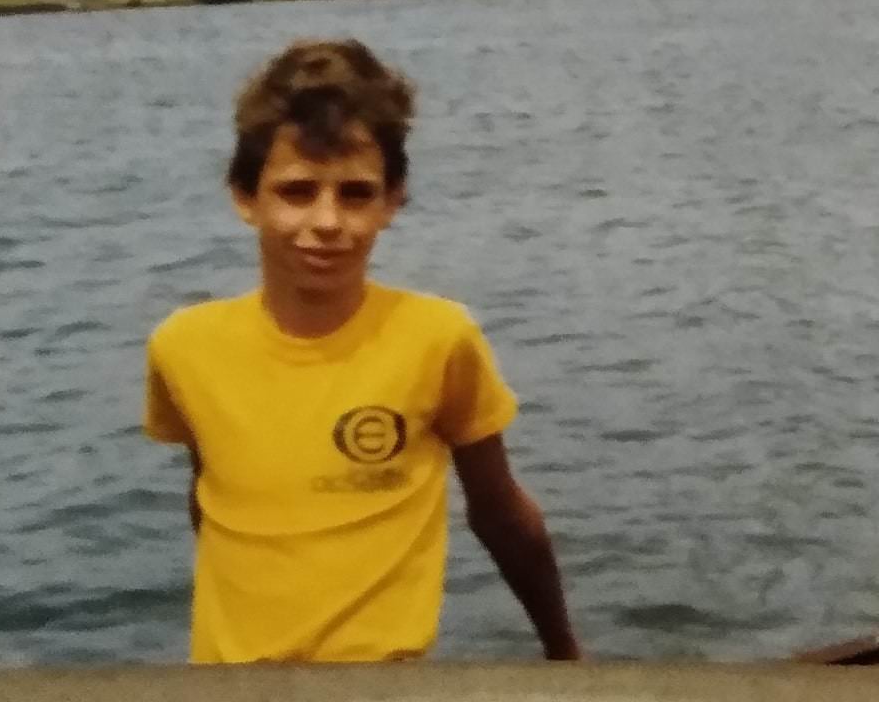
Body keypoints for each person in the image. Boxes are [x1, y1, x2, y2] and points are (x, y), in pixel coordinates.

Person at [144, 37, 582, 665]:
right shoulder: (183, 347)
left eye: (355, 193)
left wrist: (564, 653)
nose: (326, 221)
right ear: (245, 197)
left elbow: (501, 512)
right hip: (227, 683)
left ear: (392, 200)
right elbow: (213, 492)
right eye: (296, 191)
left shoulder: (437, 337)